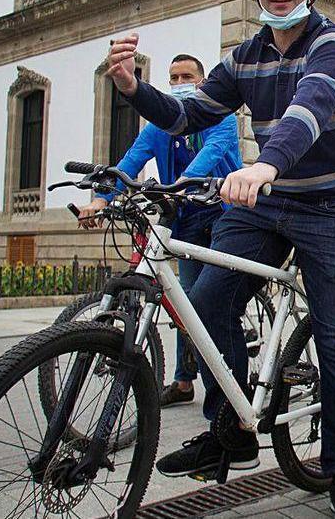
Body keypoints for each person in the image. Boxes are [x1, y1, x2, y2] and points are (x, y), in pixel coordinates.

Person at [105, 0, 335, 517]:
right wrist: (133, 88)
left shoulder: (334, 45)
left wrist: (266, 164)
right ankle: (233, 429)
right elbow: (186, 114)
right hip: (272, 200)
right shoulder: (245, 56)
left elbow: (308, 108)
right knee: (204, 304)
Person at [79, 54, 241, 409]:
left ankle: (227, 388)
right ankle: (184, 381)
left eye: (187, 76)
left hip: (222, 216)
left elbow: (207, 160)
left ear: (201, 83)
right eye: (173, 76)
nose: (179, 81)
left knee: (205, 301)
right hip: (183, 216)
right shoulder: (157, 127)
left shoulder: (223, 120)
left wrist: (176, 187)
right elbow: (128, 163)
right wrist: (101, 201)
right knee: (185, 298)